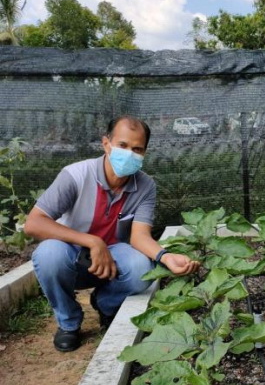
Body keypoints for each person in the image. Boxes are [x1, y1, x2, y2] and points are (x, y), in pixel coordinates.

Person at [24, 115, 200, 352]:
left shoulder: (145, 186)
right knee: (49, 254)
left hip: (113, 262)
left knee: (141, 269)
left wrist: (166, 257)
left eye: (137, 149)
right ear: (106, 144)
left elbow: (139, 236)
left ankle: (105, 304)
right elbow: (34, 223)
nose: (129, 153)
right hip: (72, 256)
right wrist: (93, 241)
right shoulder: (76, 175)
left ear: (145, 153)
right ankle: (68, 323)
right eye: (123, 146)